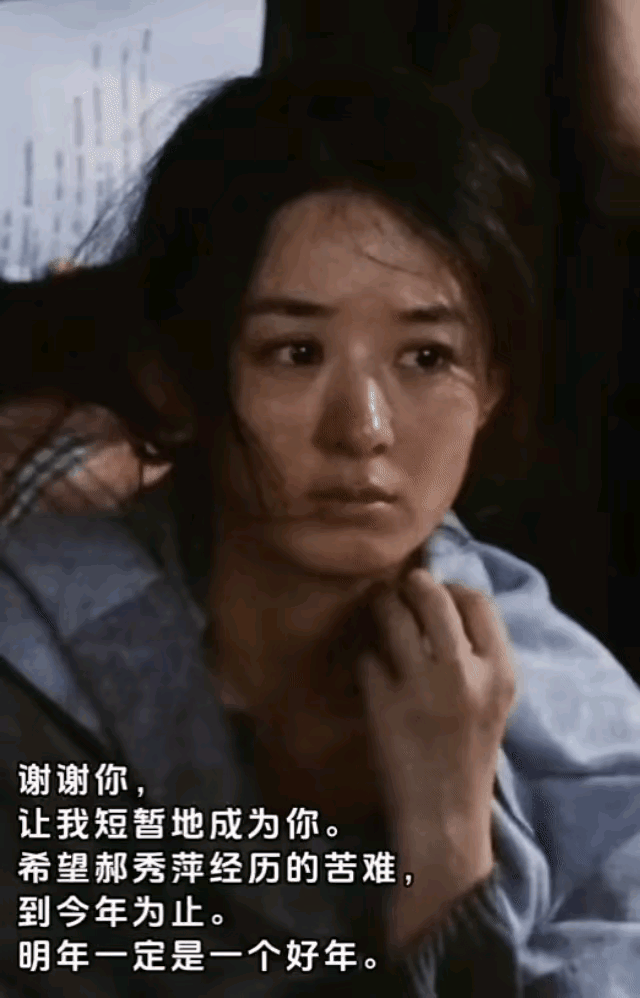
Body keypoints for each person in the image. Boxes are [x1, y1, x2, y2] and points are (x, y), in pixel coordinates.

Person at [1, 60, 639, 998]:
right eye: (294, 353)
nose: (364, 430)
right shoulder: (31, 679)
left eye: (428, 357)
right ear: (172, 381)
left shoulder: (566, 708)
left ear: (491, 390)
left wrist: (448, 839)